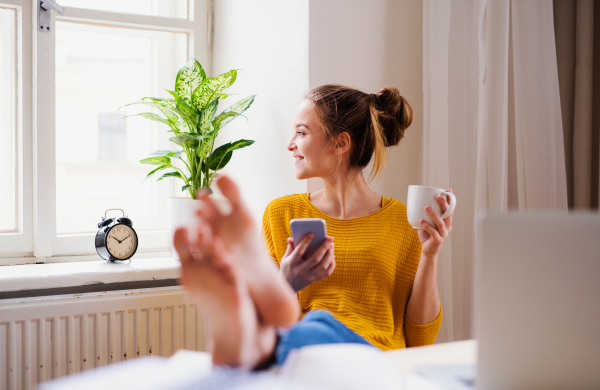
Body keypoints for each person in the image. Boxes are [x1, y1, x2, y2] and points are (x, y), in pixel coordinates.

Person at [173, 85, 454, 368]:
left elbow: (421, 341)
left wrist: (430, 254)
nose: (290, 144)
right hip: (302, 355)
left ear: (341, 143)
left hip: (372, 358)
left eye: (301, 132)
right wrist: (287, 279)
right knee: (298, 331)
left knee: (316, 323)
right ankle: (249, 344)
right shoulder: (281, 213)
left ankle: (244, 344)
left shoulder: (404, 223)